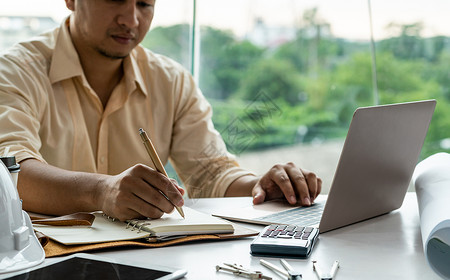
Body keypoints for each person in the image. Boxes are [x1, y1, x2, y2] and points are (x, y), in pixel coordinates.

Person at [0, 0, 321, 221]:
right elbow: (10, 174)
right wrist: (101, 191)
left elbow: (211, 172)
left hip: (146, 263)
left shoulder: (172, 81)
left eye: (145, 4)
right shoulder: (15, 71)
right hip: (40, 264)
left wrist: (260, 188)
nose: (131, 19)